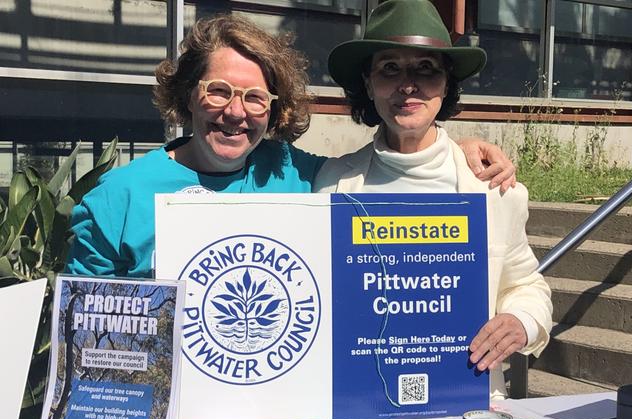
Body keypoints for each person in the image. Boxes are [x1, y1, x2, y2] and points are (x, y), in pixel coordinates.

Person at [65, 14, 515, 280]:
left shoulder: (299, 174)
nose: (236, 112)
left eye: (256, 97)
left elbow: (389, 165)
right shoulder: (116, 200)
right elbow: (88, 336)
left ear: (273, 110)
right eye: (218, 91)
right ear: (186, 95)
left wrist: (458, 147)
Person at [313, 0, 552, 399]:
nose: (408, 84)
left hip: (464, 397)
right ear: (369, 85)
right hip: (356, 401)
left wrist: (521, 320)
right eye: (390, 68)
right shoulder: (333, 183)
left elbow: (526, 283)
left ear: (446, 85)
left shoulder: (492, 189)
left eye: (426, 68)